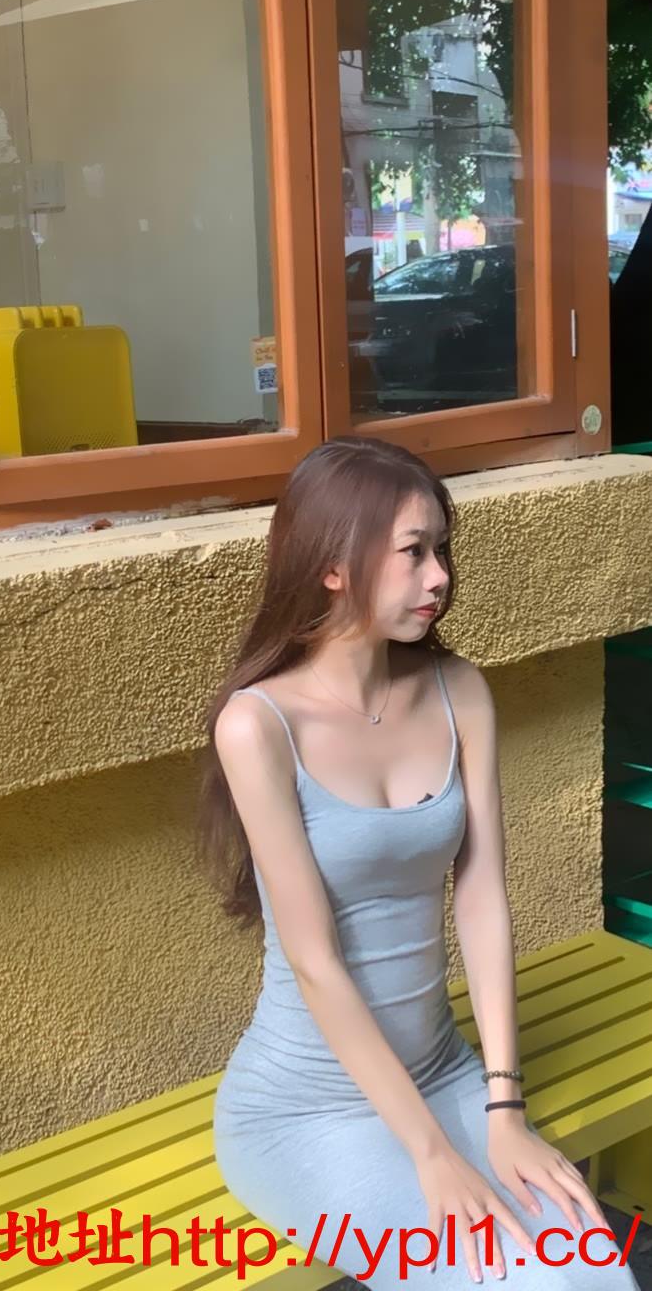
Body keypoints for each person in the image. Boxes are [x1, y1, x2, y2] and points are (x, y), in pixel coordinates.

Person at [196, 435, 640, 1288]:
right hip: (307, 1109)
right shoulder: (258, 726)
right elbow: (315, 962)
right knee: (512, 1279)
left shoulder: (457, 689)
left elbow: (480, 897)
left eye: (440, 548)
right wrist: (432, 1154)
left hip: (445, 1073)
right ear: (332, 565)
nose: (438, 576)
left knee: (596, 1275)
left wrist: (503, 1108)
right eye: (412, 552)